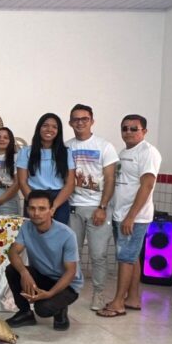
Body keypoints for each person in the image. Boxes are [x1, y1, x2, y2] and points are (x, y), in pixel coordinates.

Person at [97, 114, 161, 318]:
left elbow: (148, 185)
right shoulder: (124, 152)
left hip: (134, 217)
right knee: (132, 257)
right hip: (120, 214)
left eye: (134, 128)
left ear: (144, 131)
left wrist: (131, 216)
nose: (129, 132)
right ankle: (132, 298)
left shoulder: (148, 152)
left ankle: (118, 303)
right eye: (125, 128)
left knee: (125, 258)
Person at [65, 104, 118, 310]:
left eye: (84, 119)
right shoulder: (66, 146)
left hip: (97, 208)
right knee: (72, 254)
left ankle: (98, 293)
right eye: (76, 119)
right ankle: (70, 291)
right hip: (72, 208)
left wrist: (102, 206)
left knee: (98, 255)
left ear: (92, 121)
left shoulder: (104, 146)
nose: (80, 122)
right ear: (70, 122)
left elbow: (110, 178)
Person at [5, 190, 84, 331]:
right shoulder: (26, 227)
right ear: (27, 210)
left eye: (42, 208)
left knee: (43, 309)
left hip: (68, 285)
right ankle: (25, 313)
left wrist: (50, 294)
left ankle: (60, 309)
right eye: (32, 208)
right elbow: (13, 252)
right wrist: (24, 272)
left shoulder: (67, 234)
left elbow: (71, 272)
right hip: (43, 276)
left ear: (52, 211)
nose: (36, 213)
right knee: (12, 269)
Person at [16, 113, 76, 225]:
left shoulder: (66, 153)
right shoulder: (25, 152)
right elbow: (22, 182)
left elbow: (70, 183)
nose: (49, 129)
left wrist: (53, 207)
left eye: (54, 127)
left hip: (58, 199)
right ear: (39, 128)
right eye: (45, 125)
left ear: (59, 131)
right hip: (33, 197)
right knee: (33, 238)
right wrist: (35, 205)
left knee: (57, 239)